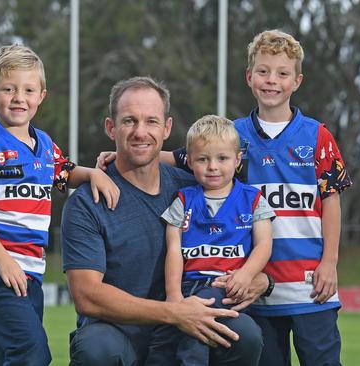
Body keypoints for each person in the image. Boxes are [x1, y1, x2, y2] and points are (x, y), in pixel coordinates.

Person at [165, 30, 352, 366]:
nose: (272, 81)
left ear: (297, 81)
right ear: (249, 77)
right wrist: (125, 158)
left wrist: (330, 263)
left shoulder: (317, 135)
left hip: (310, 285)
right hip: (253, 288)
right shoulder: (232, 135)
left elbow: (332, 200)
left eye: (282, 73)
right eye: (263, 71)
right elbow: (185, 156)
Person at [62, 76, 272, 366]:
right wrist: (173, 310)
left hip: (185, 324)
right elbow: (88, 296)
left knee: (243, 333)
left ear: (167, 128)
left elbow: (244, 234)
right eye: (129, 121)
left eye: (151, 121)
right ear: (111, 128)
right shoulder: (86, 202)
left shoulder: (195, 189)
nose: (140, 132)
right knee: (98, 349)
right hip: (120, 330)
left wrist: (263, 279)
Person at [0, 44, 119, 366]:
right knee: (31, 353)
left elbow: (64, 173)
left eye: (28, 90)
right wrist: (2, 261)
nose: (19, 98)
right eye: (8, 89)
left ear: (41, 95)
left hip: (31, 270)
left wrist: (93, 175)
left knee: (4, 353)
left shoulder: (44, 144)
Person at [144, 115, 275, 366]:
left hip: (225, 285)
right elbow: (174, 249)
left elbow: (264, 244)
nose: (212, 166)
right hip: (187, 286)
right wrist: (174, 297)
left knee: (199, 323)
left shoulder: (252, 199)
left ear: (237, 160)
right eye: (203, 159)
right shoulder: (183, 200)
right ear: (190, 162)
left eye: (222, 158)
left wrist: (246, 274)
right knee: (161, 342)